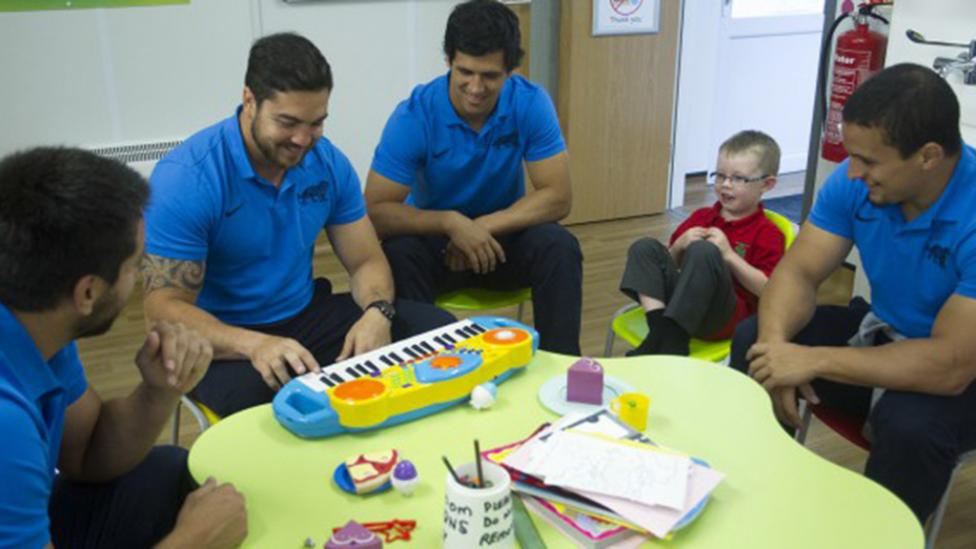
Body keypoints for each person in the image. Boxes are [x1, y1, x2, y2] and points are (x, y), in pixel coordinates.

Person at [141, 33, 455, 417]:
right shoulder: (188, 179)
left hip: (304, 317)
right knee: (265, 405)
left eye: (316, 123)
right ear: (249, 101)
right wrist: (254, 345)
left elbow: (365, 262)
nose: (303, 140)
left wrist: (377, 313)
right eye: (287, 122)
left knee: (440, 333)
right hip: (222, 338)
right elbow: (162, 309)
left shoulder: (327, 163)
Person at [730, 63, 976, 524]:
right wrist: (779, 349)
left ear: (928, 156)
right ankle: (759, 499)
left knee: (909, 426)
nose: (852, 172)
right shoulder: (855, 181)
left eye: (869, 161)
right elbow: (798, 273)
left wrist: (814, 360)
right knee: (754, 344)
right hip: (884, 333)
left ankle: (881, 534)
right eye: (852, 156)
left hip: (962, 373)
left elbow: (951, 367)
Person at [0, 147, 247, 548]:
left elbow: (85, 454)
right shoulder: (6, 426)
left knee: (164, 472)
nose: (143, 276)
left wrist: (160, 389)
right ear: (88, 292)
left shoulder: (37, 322)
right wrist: (196, 540)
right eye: (136, 265)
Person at [364, 0, 582, 355]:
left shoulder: (530, 103)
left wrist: (483, 227)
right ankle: (420, 372)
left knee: (559, 246)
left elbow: (559, 196)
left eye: (490, 76)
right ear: (449, 60)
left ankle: (561, 368)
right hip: (437, 243)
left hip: (502, 238)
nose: (476, 87)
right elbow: (375, 211)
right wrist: (452, 224)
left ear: (511, 70)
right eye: (465, 71)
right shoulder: (414, 115)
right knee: (398, 253)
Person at [619, 130, 785, 356]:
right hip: (678, 307)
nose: (725, 185)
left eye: (738, 178)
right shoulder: (702, 217)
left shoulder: (768, 233)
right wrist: (679, 246)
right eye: (719, 175)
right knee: (644, 247)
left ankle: (669, 339)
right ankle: (661, 333)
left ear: (767, 184)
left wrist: (728, 256)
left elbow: (770, 291)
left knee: (703, 251)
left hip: (722, 317)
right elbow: (667, 264)